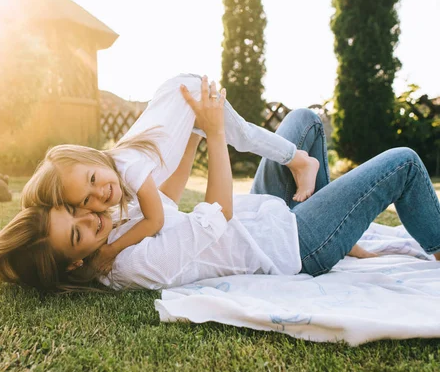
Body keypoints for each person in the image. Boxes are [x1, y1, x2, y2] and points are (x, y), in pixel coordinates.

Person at [0, 77, 440, 292]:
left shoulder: (110, 233)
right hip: (292, 246)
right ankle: (430, 244)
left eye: (77, 207)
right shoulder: (131, 267)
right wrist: (218, 132)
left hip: (264, 215)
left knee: (305, 122)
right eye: (76, 231)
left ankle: (340, 224)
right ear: (73, 265)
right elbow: (215, 216)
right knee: (402, 162)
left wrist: (193, 136)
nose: (91, 213)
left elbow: (162, 201)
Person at [19, 74, 320, 268]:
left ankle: (299, 160)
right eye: (86, 201)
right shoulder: (116, 176)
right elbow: (168, 199)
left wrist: (112, 250)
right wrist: (196, 132)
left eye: (93, 180)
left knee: (242, 135)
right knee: (240, 135)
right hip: (179, 107)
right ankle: (299, 168)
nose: (100, 194)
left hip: (188, 93)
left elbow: (156, 218)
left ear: (94, 158)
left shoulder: (128, 168)